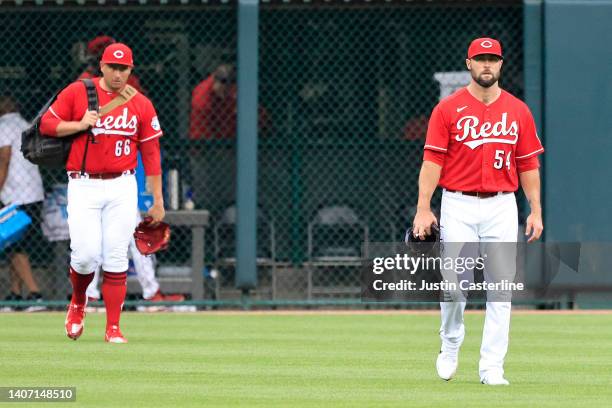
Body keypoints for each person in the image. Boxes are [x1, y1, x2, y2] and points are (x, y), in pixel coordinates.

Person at [412, 38, 544, 385]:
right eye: (481, 59)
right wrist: (423, 208)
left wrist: (536, 209)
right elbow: (432, 161)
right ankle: (451, 340)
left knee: (501, 288)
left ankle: (491, 367)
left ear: (501, 65)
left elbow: (528, 162)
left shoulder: (518, 111)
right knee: (455, 285)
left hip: (502, 203)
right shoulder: (447, 109)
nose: (487, 65)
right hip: (457, 202)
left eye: (493, 59)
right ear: (469, 63)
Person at [40, 42, 165, 343]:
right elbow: (46, 124)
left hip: (122, 184)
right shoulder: (78, 92)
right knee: (84, 255)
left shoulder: (141, 103)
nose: (119, 73)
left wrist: (157, 200)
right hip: (83, 184)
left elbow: (151, 153)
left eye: (124, 68)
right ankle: (79, 301)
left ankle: (113, 327)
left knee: (115, 256)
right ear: (103, 67)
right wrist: (78, 124)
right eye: (114, 67)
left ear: (130, 69)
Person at [79, 36, 183, 307]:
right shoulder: (82, 86)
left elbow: (141, 120)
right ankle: (138, 292)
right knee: (96, 238)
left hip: (121, 170)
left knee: (130, 230)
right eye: (107, 61)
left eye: (121, 65)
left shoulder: (127, 87)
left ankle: (108, 294)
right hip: (91, 173)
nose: (116, 70)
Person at [0, 95, 46, 312]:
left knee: (17, 246)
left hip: (15, 194)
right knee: (14, 244)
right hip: (33, 192)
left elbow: (4, 160)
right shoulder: (25, 123)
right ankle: (16, 295)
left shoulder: (4, 125)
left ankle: (35, 294)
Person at [189, 64, 269, 140]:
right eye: (224, 90)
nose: (226, 93)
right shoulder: (202, 98)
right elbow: (203, 135)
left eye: (229, 89)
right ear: (215, 81)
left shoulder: (233, 90)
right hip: (207, 142)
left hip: (230, 136)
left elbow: (260, 116)